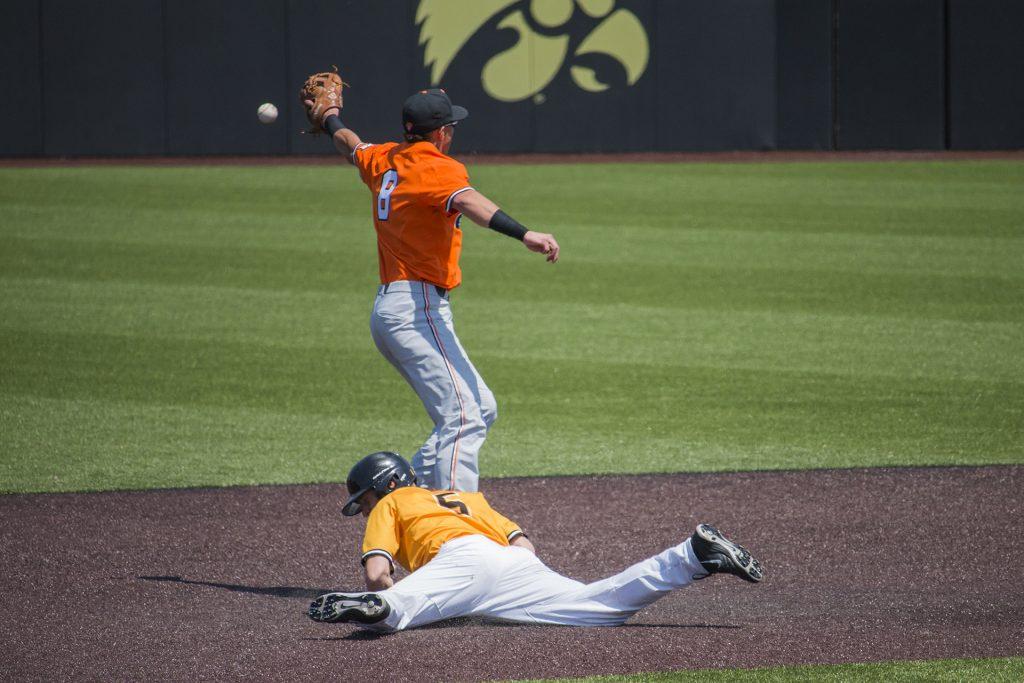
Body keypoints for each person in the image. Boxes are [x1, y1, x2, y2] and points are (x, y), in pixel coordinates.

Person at [302, 79, 560, 493]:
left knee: (482, 407)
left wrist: (331, 118)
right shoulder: (438, 167)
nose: (453, 132)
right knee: (462, 418)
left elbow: (351, 145)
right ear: (440, 133)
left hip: (399, 310)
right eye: (451, 126)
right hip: (415, 309)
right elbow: (470, 203)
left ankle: (404, 490)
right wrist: (524, 233)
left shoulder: (384, 158)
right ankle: (459, 526)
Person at [306, 452, 764, 632]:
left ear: (384, 485)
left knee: (396, 612)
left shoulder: (392, 504)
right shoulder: (462, 495)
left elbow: (377, 572)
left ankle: (379, 609)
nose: (362, 509)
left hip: (460, 561)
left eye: (362, 500)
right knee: (597, 608)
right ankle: (692, 557)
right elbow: (522, 543)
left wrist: (388, 591)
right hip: (512, 564)